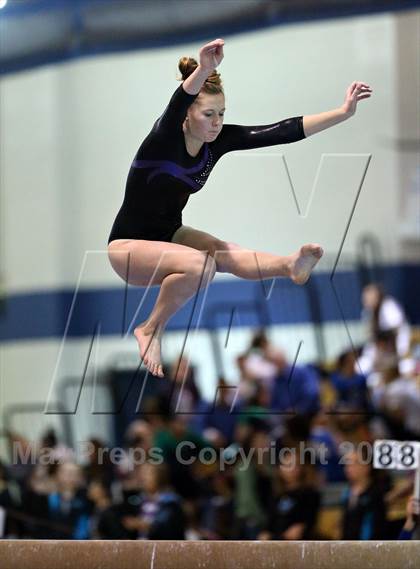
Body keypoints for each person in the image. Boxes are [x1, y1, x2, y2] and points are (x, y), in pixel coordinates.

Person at [108, 38, 373, 377]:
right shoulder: (164, 138)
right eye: (208, 114)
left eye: (221, 114)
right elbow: (177, 101)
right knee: (201, 266)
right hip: (127, 248)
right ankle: (150, 328)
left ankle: (289, 265)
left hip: (169, 236)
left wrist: (342, 112)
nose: (217, 122)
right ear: (187, 115)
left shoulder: (215, 143)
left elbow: (280, 132)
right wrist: (205, 68)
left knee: (221, 251)